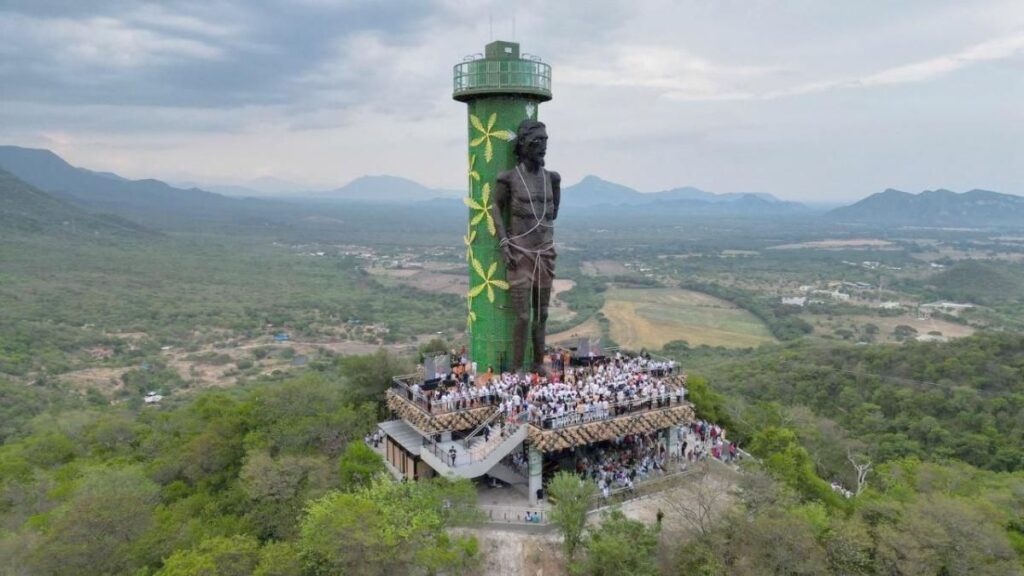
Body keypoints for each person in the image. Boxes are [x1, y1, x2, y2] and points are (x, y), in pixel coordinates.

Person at [492, 119, 561, 373]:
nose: (542, 146)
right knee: (522, 316)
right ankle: (518, 366)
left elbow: (552, 215)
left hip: (545, 252)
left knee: (542, 313)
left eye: (545, 141)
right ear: (522, 144)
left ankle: (537, 363)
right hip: (519, 254)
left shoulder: (552, 179)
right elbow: (495, 206)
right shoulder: (509, 179)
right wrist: (503, 241)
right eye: (536, 141)